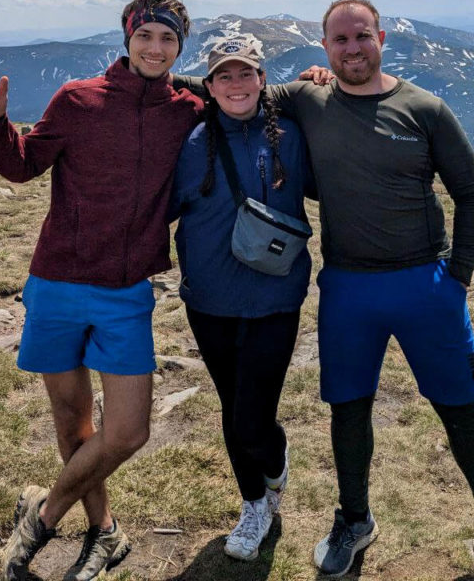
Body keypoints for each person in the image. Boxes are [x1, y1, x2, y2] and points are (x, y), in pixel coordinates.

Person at [201, 0, 474, 581]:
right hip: (348, 286)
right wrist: (137, 74)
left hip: (426, 281)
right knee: (347, 409)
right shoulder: (306, 99)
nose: (352, 49)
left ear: (381, 38)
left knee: (462, 411)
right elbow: (233, 90)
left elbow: (472, 194)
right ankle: (354, 518)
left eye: (361, 37)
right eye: (339, 41)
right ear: (323, 49)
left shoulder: (423, 108)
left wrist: (458, 280)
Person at [0, 0, 203, 581]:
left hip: (125, 291)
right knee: (73, 422)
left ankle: (42, 516)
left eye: (168, 38)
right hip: (57, 281)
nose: (155, 46)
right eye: (145, 35)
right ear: (127, 38)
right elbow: (22, 165)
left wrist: (312, 82)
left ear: (179, 46)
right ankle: (105, 532)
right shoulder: (78, 100)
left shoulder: (188, 108)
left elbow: (247, 96)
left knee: (126, 432)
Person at [169, 34, 314, 562]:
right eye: (224, 75)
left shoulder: (293, 138)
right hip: (209, 301)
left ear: (262, 80)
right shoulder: (191, 143)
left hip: (277, 298)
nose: (236, 84)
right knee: (234, 409)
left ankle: (273, 465)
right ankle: (254, 504)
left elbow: (339, 185)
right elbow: (157, 207)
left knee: (253, 418)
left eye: (245, 73)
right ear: (208, 86)